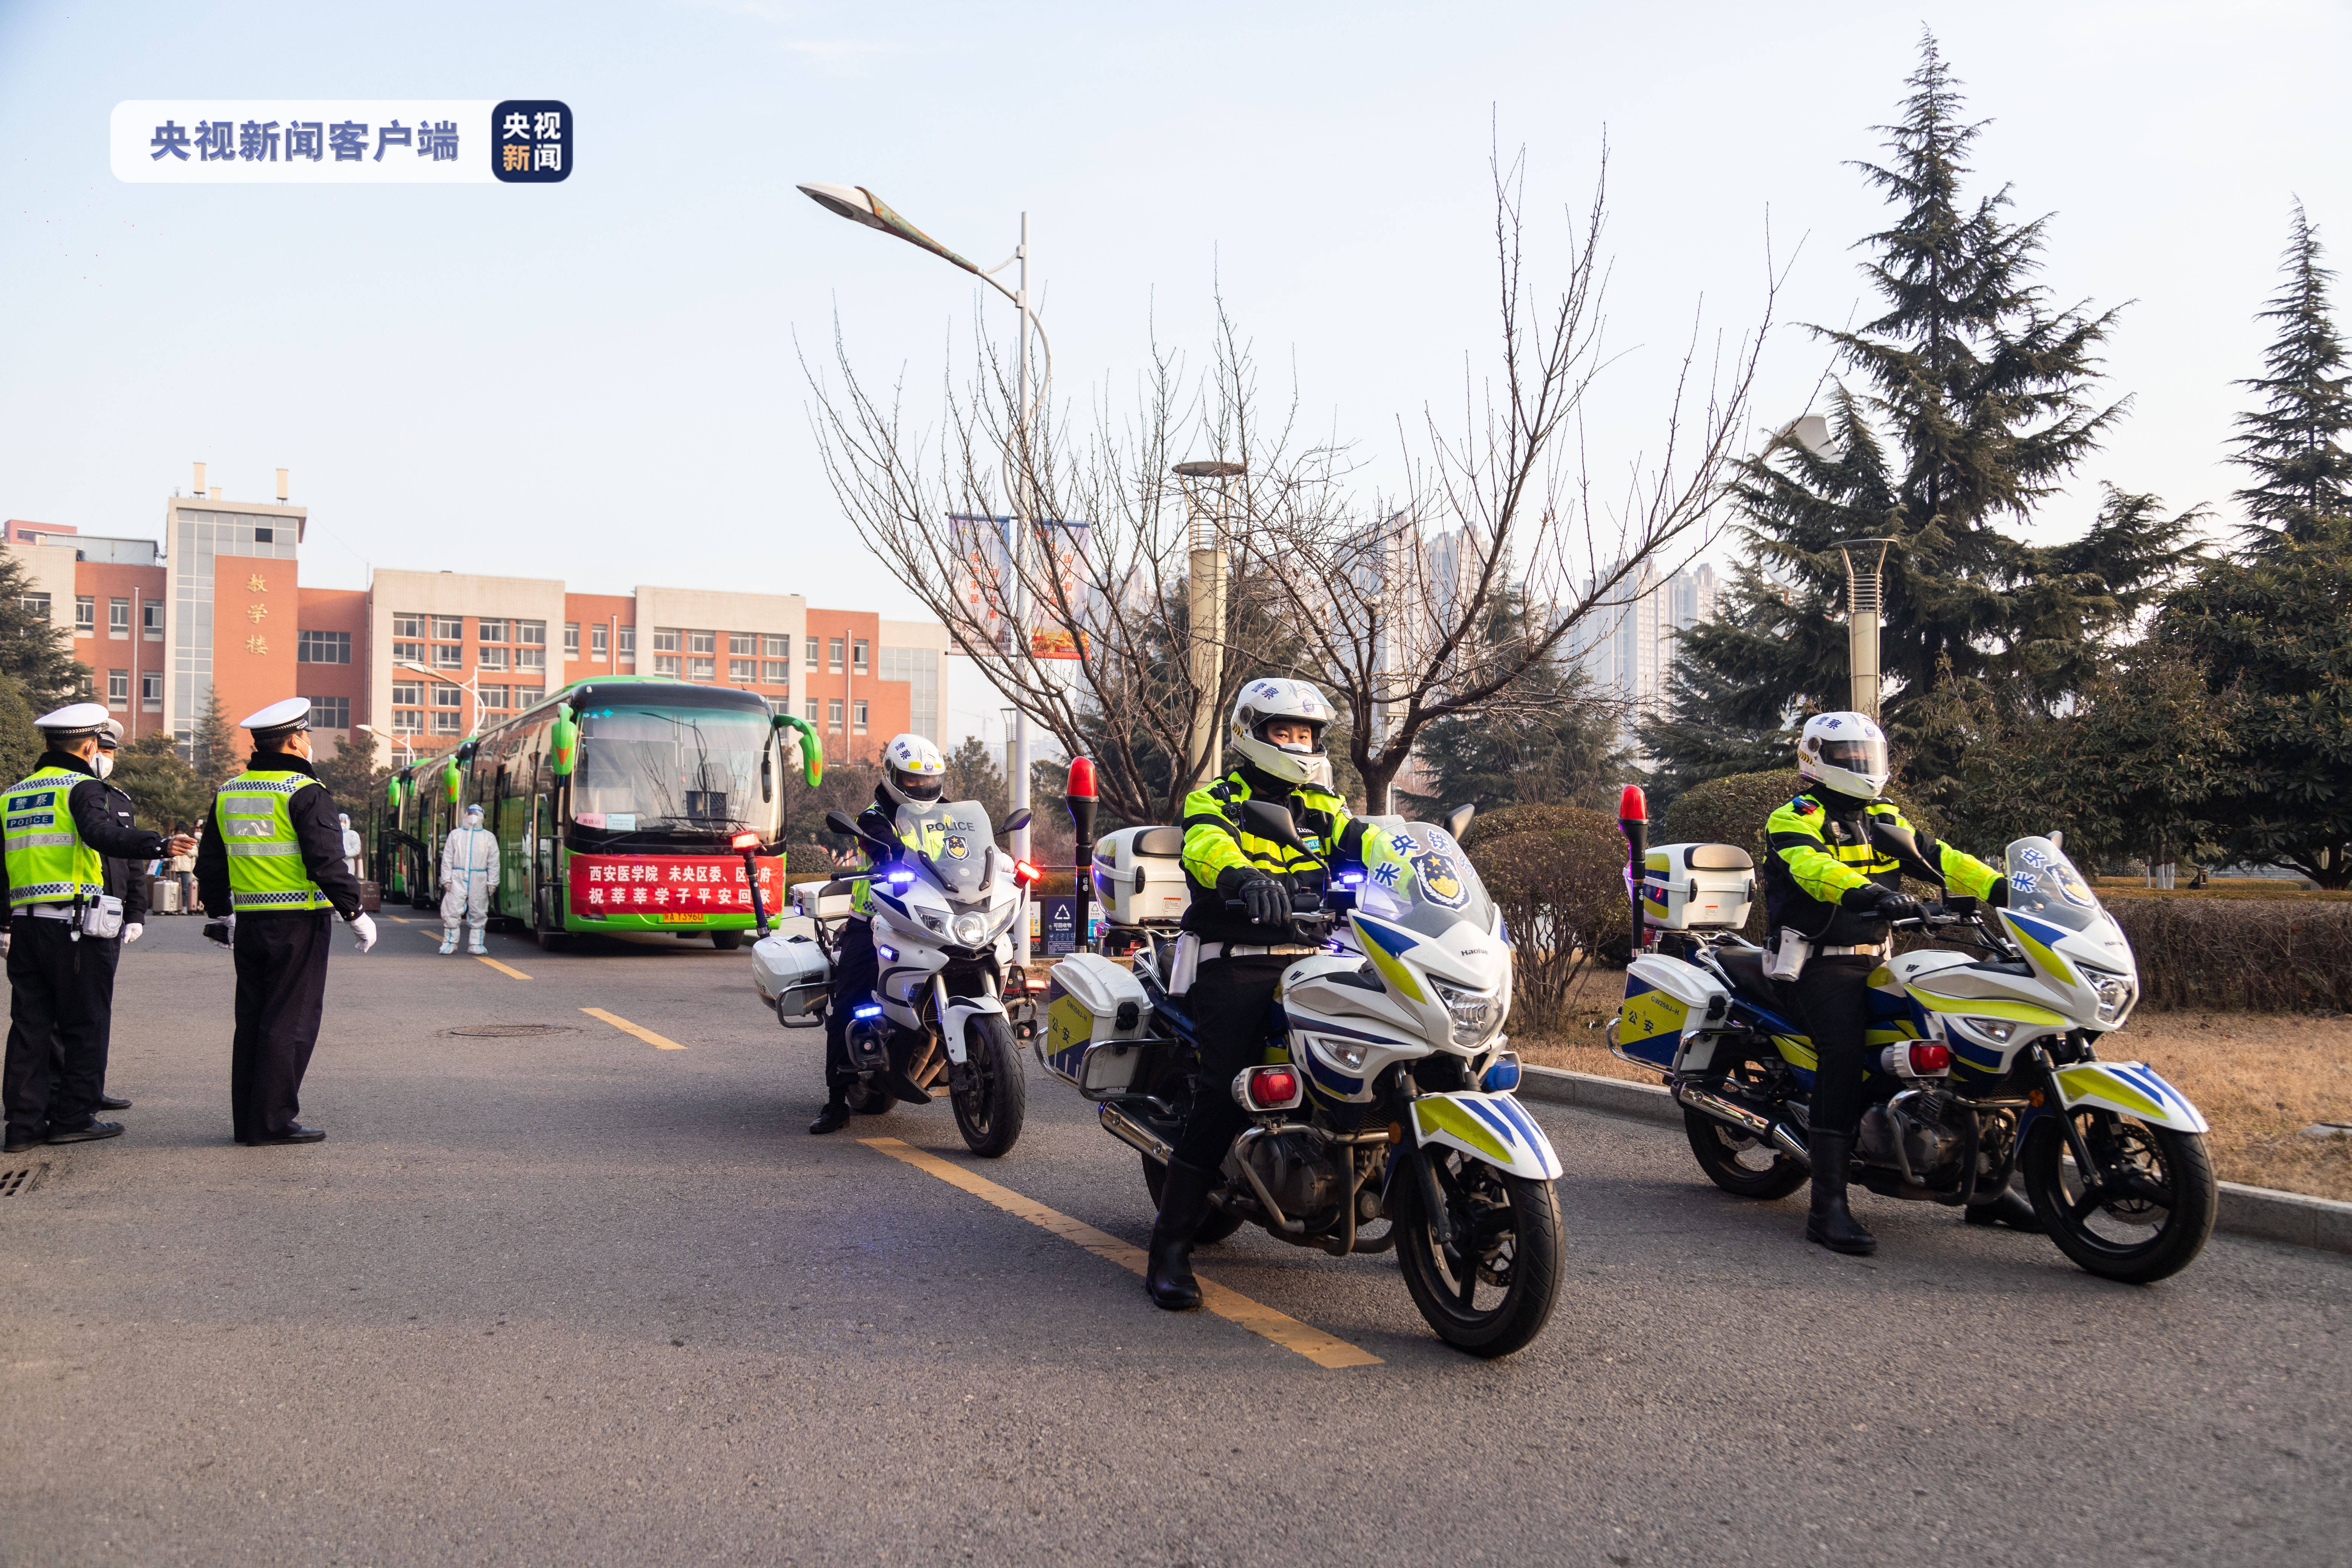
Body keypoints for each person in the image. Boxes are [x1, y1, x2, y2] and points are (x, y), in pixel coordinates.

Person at [1146, 678, 1387, 1311]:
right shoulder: (1216, 800)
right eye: (1285, 732)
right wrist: (1243, 877)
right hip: (1239, 961)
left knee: (1381, 1058)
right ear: (1253, 734)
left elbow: (1370, 842)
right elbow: (1203, 847)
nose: (1298, 744)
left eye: (1306, 734)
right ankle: (1169, 1248)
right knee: (1227, 1092)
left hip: (1318, 958)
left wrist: (1422, 863)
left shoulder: (1324, 807)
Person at [1761, 710, 2027, 1257]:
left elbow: (1940, 857)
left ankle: (1981, 1186)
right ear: (1817, 759)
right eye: (1850, 758)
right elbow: (1812, 869)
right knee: (1844, 1052)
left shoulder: (1884, 815)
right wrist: (1869, 893)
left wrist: (2003, 888)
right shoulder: (1794, 817)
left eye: (1868, 758)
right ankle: (1827, 1208)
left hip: (1876, 960)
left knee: (1961, 1043)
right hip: (1815, 962)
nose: (1862, 768)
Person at [3, 704, 194, 1155]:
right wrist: (159, 843)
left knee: (30, 1027)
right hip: (75, 929)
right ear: (89, 745)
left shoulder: (13, 794)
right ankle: (72, 1118)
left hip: (27, 927)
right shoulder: (83, 788)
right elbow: (101, 835)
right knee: (85, 1022)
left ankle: (22, 1126)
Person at [194, 698, 377, 1146]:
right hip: (298, 923)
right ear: (296, 739)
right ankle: (273, 1121)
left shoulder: (229, 791)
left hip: (251, 924)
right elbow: (326, 860)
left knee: (254, 1020)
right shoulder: (305, 791)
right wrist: (355, 911)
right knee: (290, 1022)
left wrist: (220, 913)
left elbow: (211, 863)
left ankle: (249, 1122)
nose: (309, 743)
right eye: (308, 736)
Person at [807, 733, 950, 1136]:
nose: (923, 788)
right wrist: (897, 856)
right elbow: (884, 847)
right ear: (891, 776)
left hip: (933, 918)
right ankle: (836, 1101)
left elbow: (967, 847)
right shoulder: (873, 817)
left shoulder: (948, 812)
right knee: (850, 1005)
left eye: (929, 780)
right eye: (912, 780)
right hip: (873, 921)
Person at [86, 723, 150, 1113]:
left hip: (111, 918)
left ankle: (90, 1087)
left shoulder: (119, 800)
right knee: (71, 1014)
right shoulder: (72, 797)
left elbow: (133, 864)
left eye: (111, 753)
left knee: (98, 1009)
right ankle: (61, 1093)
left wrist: (136, 912)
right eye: (101, 751)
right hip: (76, 915)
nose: (106, 759)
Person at [438, 804, 498, 955]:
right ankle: (450, 943)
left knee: (479, 911)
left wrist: (493, 881)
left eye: (476, 814)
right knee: (452, 910)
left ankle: (476, 944)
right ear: (466, 815)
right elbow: (447, 858)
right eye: (471, 813)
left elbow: (494, 861)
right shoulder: (456, 835)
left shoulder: (488, 837)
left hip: (480, 878)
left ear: (482, 817)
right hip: (457, 877)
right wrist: (446, 879)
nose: (473, 816)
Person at [338, 812, 365, 880]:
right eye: (340, 821)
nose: (342, 823)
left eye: (344, 821)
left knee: (347, 880)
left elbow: (356, 850)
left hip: (348, 862)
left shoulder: (353, 834)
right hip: (336, 862)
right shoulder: (334, 834)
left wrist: (344, 854)